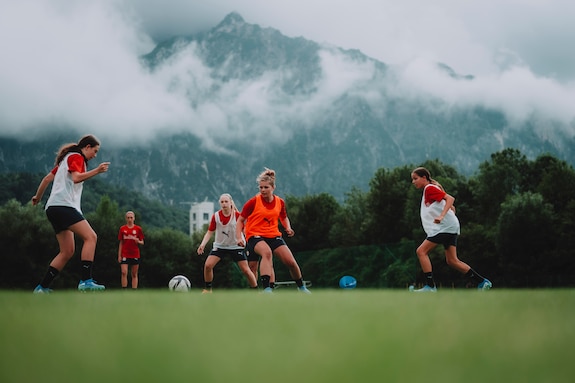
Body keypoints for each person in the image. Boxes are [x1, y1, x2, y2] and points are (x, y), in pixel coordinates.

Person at [31, 135, 110, 293]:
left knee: (67, 251)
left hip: (53, 208)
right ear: (87, 147)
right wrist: (97, 170)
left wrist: (37, 197)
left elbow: (47, 179)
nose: (95, 155)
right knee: (91, 237)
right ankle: (86, 281)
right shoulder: (77, 157)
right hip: (64, 206)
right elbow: (76, 178)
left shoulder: (64, 160)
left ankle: (42, 288)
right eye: (94, 151)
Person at [410, 167, 492, 292]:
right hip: (450, 227)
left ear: (424, 178)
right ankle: (482, 282)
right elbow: (451, 207)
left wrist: (442, 215)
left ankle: (430, 287)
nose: (413, 182)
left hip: (444, 227)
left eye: (415, 178)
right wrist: (448, 213)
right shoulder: (431, 189)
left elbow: (450, 199)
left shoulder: (429, 188)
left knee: (421, 251)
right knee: (452, 260)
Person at [236, 168, 310, 293]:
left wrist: (288, 227)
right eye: (261, 187)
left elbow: (284, 217)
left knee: (290, 261)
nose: (263, 190)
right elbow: (240, 221)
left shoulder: (280, 202)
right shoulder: (253, 202)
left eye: (266, 187)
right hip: (254, 235)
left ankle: (301, 287)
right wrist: (239, 237)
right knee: (265, 254)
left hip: (273, 235)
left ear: (273, 187)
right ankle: (267, 289)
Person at [197, 193, 258, 293]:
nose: (224, 204)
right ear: (219, 204)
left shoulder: (238, 216)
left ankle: (256, 291)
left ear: (231, 203)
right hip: (220, 246)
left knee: (246, 270)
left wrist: (246, 241)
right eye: (222, 202)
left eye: (226, 201)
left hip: (236, 246)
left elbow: (246, 230)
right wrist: (202, 244)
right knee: (208, 265)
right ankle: (208, 290)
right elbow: (209, 232)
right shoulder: (216, 216)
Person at [118, 211, 145, 289]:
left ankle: (134, 291)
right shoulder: (122, 229)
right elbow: (121, 242)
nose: (130, 219)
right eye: (128, 217)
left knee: (134, 274)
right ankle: (124, 290)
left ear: (134, 218)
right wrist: (119, 255)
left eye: (131, 217)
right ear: (126, 218)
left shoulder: (138, 229)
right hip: (125, 253)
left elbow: (142, 242)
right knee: (123, 272)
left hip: (135, 254)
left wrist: (138, 241)